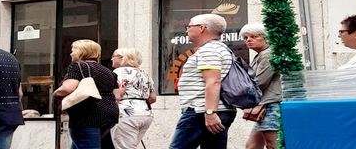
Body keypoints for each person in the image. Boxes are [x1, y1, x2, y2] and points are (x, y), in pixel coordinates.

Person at [170, 14, 236, 149]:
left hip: (200, 110)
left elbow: (213, 82)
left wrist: (210, 112)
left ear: (201, 28)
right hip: (214, 109)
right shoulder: (222, 49)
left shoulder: (209, 50)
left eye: (189, 26)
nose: (187, 30)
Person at [54, 40, 119, 149]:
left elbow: (67, 88)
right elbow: (117, 95)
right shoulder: (108, 72)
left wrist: (56, 92)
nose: (71, 54)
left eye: (73, 50)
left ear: (82, 52)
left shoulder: (78, 66)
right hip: (109, 115)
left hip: (86, 116)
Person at [239, 24, 281, 149]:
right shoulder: (261, 54)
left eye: (254, 36)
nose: (249, 40)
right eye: (246, 37)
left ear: (266, 38)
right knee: (252, 145)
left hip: (271, 104)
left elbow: (259, 83)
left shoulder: (268, 54)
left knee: (273, 144)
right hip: (264, 106)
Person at [110, 47, 156, 149]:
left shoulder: (118, 72)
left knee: (124, 147)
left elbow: (119, 93)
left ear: (122, 58)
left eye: (114, 56)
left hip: (126, 113)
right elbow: (152, 98)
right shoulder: (144, 74)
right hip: (145, 114)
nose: (112, 59)